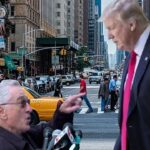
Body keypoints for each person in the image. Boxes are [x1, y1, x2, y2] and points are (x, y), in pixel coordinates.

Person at [102, 0, 150, 149]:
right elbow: (128, 125)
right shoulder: (131, 58)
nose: (109, 35)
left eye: (112, 27)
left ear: (131, 24)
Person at [0, 80, 84, 149]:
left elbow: (50, 130)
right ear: (2, 111)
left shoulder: (23, 133)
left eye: (28, 102)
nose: (29, 109)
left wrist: (63, 112)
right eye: (22, 103)